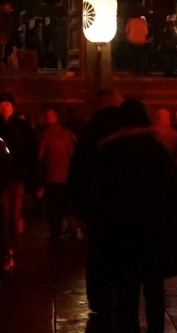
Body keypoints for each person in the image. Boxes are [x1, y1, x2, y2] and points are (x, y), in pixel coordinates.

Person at [93, 99, 177, 333]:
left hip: (121, 231)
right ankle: (156, 329)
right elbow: (174, 189)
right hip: (154, 231)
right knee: (154, 288)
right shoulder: (157, 150)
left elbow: (100, 192)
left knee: (127, 290)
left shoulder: (109, 151)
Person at [70, 89, 127, 330]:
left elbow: (79, 170)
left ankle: (99, 298)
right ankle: (120, 297)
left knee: (97, 254)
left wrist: (76, 208)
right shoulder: (127, 132)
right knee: (122, 254)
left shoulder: (91, 132)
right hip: (123, 206)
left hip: (97, 206)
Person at [0, 93, 36, 269]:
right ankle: (5, 251)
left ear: (13, 107)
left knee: (14, 216)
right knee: (3, 215)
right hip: (1, 178)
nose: (4, 107)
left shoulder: (21, 126)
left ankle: (10, 248)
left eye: (7, 104)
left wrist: (30, 177)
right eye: (1, 104)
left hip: (17, 177)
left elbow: (30, 151)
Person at [36, 107, 77, 241]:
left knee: (53, 207)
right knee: (67, 204)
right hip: (67, 176)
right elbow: (73, 154)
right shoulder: (68, 133)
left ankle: (55, 232)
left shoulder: (46, 134)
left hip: (52, 177)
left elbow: (40, 156)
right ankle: (73, 229)